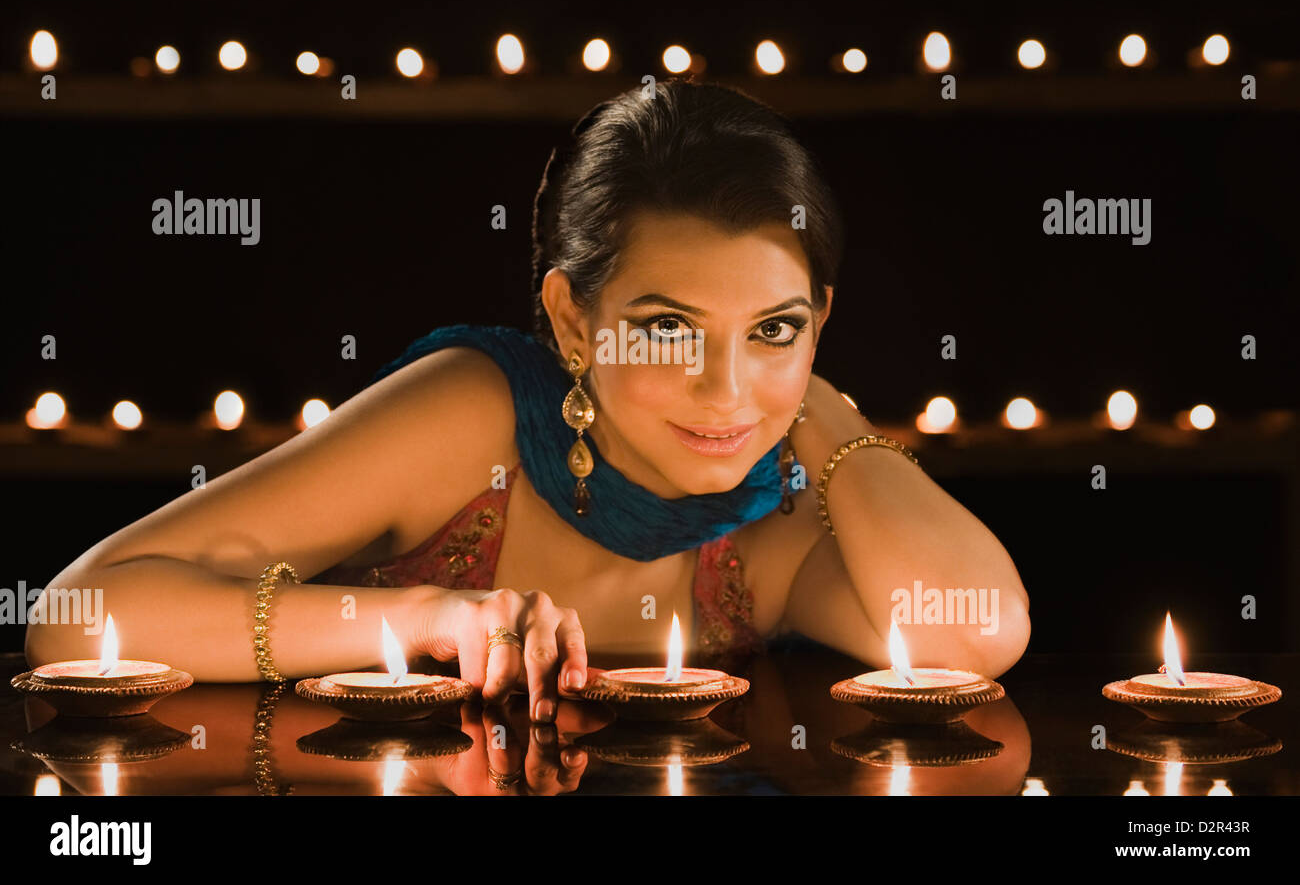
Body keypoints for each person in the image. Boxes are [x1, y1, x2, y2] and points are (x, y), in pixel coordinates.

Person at [26, 78, 1030, 733]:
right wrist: (422, 615)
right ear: (572, 318)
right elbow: (76, 616)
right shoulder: (471, 415)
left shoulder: (773, 516)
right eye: (669, 326)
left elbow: (976, 633)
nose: (726, 393)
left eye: (772, 327)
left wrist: (812, 403)